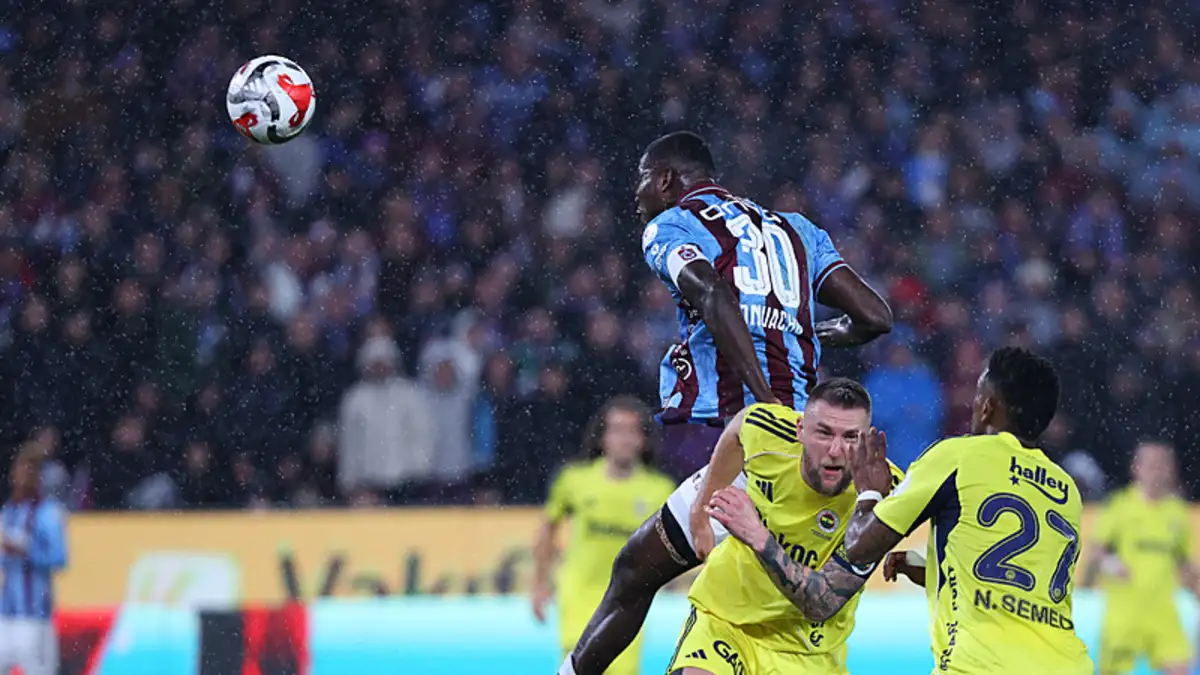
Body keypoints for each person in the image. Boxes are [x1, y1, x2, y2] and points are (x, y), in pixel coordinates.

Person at [561, 130, 892, 675]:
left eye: (642, 180)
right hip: (816, 450)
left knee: (633, 574)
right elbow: (876, 317)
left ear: (666, 180)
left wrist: (767, 412)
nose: (637, 194)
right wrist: (808, 333)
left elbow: (713, 294)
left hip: (763, 448)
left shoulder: (670, 225)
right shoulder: (796, 230)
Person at [842, 346, 1093, 675]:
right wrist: (928, 569)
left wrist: (869, 490)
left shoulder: (959, 457)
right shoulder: (1066, 490)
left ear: (987, 407)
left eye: (977, 394)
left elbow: (859, 546)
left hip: (980, 667)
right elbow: (1021, 591)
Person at [668, 379, 903, 675]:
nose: (835, 449)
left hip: (809, 651)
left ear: (867, 441)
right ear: (800, 429)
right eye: (824, 432)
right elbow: (739, 428)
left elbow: (822, 603)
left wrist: (757, 534)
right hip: (726, 623)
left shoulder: (884, 494)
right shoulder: (768, 431)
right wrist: (700, 510)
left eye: (851, 437)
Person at [533, 397, 676, 675]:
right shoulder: (574, 480)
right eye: (616, 429)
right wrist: (539, 584)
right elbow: (548, 528)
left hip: (629, 604)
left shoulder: (660, 489)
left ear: (643, 439)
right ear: (602, 437)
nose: (624, 438)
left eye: (631, 430)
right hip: (578, 598)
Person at [1081, 440, 1199, 675]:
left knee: (1180, 668)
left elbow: (1185, 564)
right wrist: (1109, 564)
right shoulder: (1120, 507)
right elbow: (1095, 551)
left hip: (1162, 611)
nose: (1158, 471)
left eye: (1164, 465)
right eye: (1152, 464)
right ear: (1137, 468)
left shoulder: (1177, 512)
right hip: (1125, 612)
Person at [0, 447, 68, 675]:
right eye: (18, 470)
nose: (20, 477)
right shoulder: (7, 511)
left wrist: (26, 550)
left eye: (28, 470)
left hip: (36, 617)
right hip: (5, 616)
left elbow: (59, 558)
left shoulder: (48, 512)